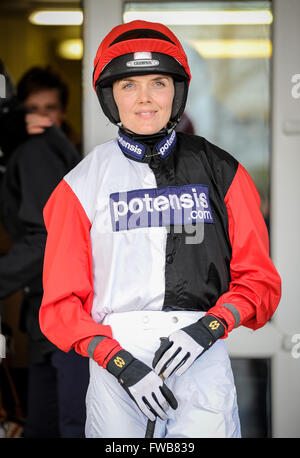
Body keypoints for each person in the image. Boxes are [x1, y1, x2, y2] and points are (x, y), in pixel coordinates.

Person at [39, 20, 281, 438]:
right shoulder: (79, 186)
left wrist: (210, 326)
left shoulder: (223, 172)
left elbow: (259, 283)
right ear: (110, 96)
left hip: (202, 361)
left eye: (159, 83)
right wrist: (119, 362)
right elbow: (60, 307)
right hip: (115, 367)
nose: (145, 99)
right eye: (129, 85)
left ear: (178, 91)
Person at [0, 66, 87, 437]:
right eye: (31, 108)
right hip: (59, 320)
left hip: (61, 321)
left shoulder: (37, 151)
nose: (40, 117)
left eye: (49, 108)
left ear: (62, 113)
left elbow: (47, 238)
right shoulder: (48, 152)